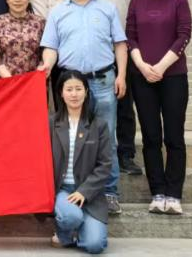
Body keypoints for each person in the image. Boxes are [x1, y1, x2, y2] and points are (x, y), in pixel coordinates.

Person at [40, 0, 127, 213]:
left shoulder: (107, 9)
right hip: (71, 85)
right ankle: (70, 188)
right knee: (70, 137)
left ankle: (110, 193)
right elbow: (51, 47)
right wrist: (46, 66)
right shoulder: (58, 12)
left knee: (107, 137)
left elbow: (120, 44)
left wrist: (122, 75)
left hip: (103, 81)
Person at [126, 0, 192, 217]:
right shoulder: (136, 3)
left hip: (173, 76)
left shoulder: (178, 0)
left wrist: (161, 67)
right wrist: (142, 66)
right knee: (151, 136)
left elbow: (184, 35)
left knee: (174, 136)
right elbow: (130, 36)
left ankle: (174, 194)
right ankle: (158, 193)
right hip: (142, 77)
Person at [89, 0, 142, 176]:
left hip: (124, 47)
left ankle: (126, 154)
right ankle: (92, 154)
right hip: (93, 48)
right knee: (94, 104)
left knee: (124, 102)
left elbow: (140, 8)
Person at [49, 70, 112, 254]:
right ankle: (66, 233)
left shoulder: (99, 125)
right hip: (62, 190)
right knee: (71, 216)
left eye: (78, 89)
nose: (74, 94)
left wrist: (84, 192)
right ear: (61, 93)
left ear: (86, 91)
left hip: (89, 193)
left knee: (95, 245)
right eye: (69, 89)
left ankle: (80, 230)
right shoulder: (50, 123)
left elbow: (105, 165)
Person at [0, 0, 46, 78]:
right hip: (7, 80)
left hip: (34, 80)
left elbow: (45, 53)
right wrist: (11, 79)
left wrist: (36, 75)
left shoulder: (40, 23)